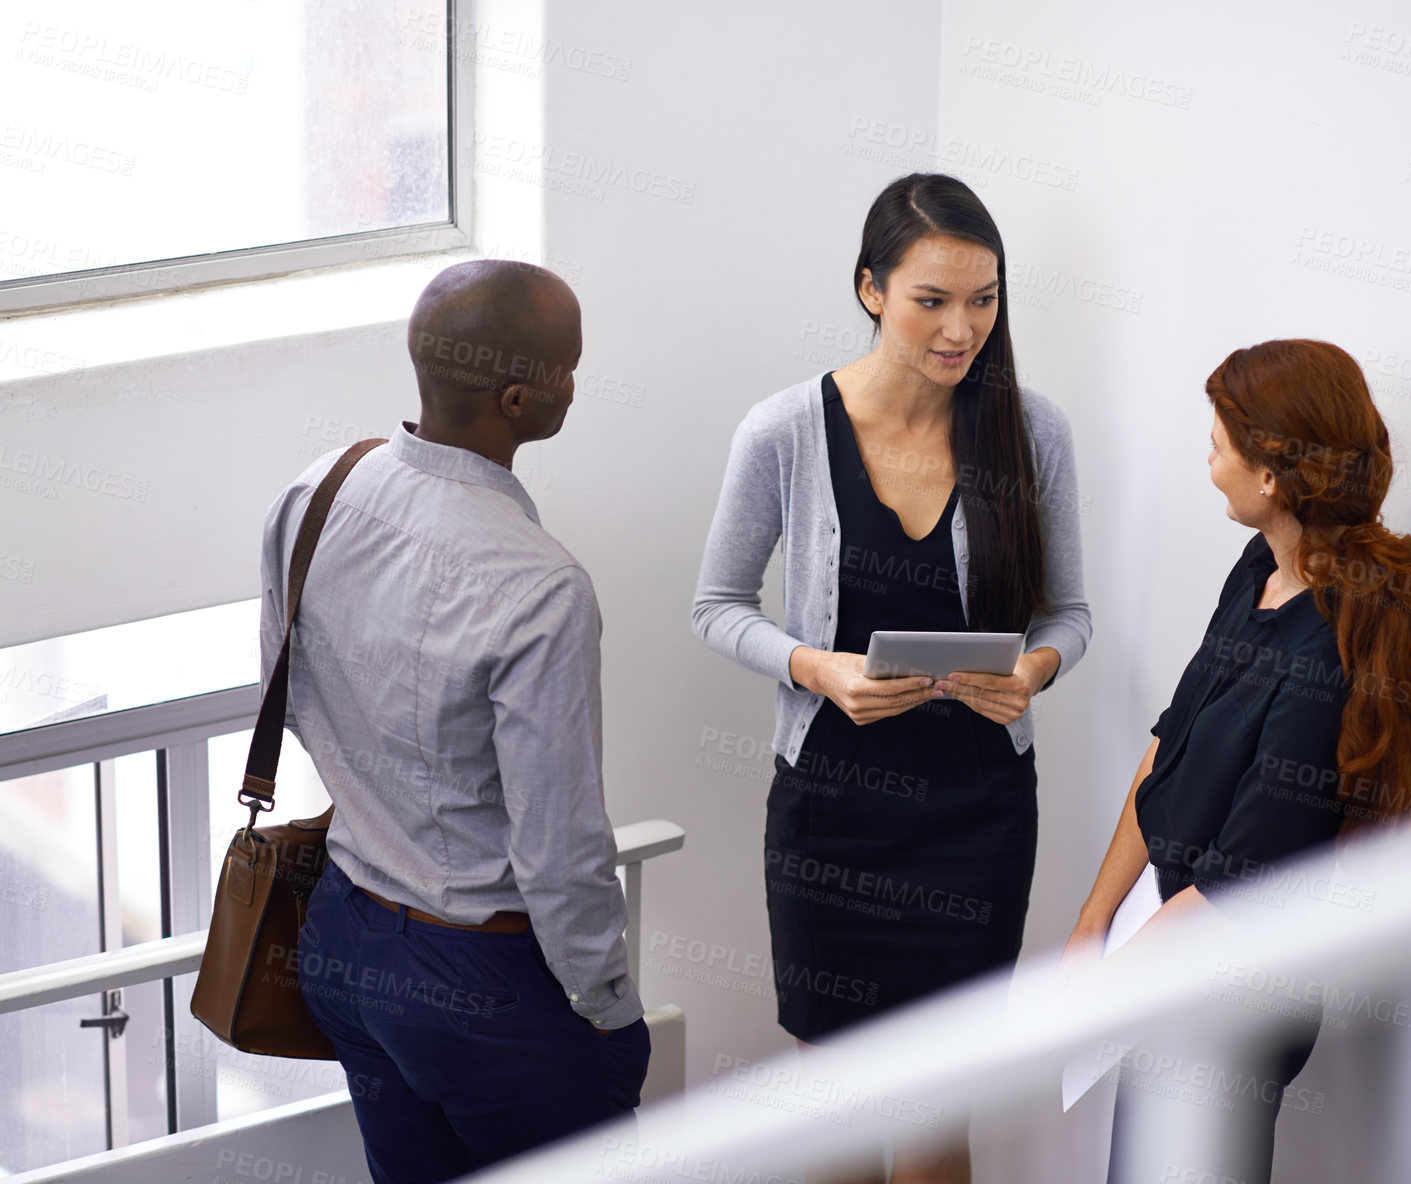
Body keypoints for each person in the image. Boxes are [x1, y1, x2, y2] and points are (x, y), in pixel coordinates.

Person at [692, 173, 1091, 1184]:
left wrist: (1033, 670)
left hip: (978, 818)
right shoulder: (782, 430)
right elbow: (716, 604)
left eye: (984, 299)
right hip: (832, 813)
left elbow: (1068, 616)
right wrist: (812, 667)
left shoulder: (1030, 429)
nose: (963, 329)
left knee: (932, 1118)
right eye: (933, 301)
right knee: (830, 1118)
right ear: (870, 289)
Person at [260, 260, 649, 1184]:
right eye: (569, 369)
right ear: (518, 397)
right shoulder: (541, 586)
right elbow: (559, 848)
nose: (574, 385)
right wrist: (608, 1007)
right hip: (484, 981)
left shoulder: (320, 487)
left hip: (345, 936)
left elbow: (293, 694)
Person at [1063, 339, 1411, 1182]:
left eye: (1218, 445)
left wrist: (1107, 994)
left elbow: (1239, 880)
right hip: (1163, 944)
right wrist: (1093, 926)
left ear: (1272, 475)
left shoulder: (1325, 655)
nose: (1207, 461)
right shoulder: (1258, 570)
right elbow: (1168, 744)